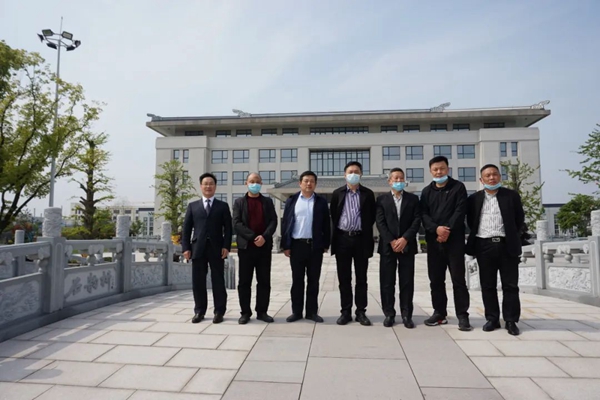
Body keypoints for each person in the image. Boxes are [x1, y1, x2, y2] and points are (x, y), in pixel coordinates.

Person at [466, 164, 524, 336]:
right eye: (488, 175)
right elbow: (471, 221)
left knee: (510, 285)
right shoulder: (474, 199)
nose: (492, 178)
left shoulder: (511, 196)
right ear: (481, 179)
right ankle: (492, 318)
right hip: (484, 245)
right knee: (487, 285)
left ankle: (511, 320)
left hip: (507, 245)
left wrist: (512, 236)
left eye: (495, 174)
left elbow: (519, 219)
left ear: (500, 176)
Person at [420, 156, 472, 331]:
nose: (438, 172)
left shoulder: (458, 187)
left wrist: (446, 230)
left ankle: (462, 315)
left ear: (447, 169)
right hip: (434, 242)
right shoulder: (426, 192)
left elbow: (460, 211)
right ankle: (439, 313)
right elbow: (423, 215)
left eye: (442, 168)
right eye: (435, 169)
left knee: (458, 279)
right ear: (430, 171)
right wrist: (436, 229)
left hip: (454, 242)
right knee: (436, 280)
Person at [182, 173, 232, 324]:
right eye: (205, 183)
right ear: (201, 186)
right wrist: (186, 248)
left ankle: (219, 311)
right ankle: (199, 311)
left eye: (211, 183)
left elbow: (228, 229)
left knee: (218, 281)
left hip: (217, 249)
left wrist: (226, 246)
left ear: (215, 186)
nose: (208, 186)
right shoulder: (193, 206)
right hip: (198, 248)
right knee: (198, 282)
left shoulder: (222, 206)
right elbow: (186, 229)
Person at [330, 161, 376, 326]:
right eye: (350, 172)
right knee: (344, 278)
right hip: (342, 239)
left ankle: (361, 311)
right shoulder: (337, 193)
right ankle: (345, 311)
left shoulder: (368, 194)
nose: (353, 174)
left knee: (361, 278)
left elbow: (371, 216)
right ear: (345, 175)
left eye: (356, 171)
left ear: (361, 174)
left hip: (361, 239)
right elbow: (334, 215)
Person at [281, 171, 330, 323]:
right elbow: (286, 223)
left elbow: (327, 224)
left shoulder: (321, 202)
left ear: (315, 184)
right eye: (306, 181)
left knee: (313, 280)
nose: (309, 184)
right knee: (297, 280)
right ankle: (296, 311)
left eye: (312, 181)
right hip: (297, 246)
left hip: (315, 246)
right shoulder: (292, 200)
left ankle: (311, 312)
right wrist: (286, 245)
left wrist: (325, 244)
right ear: (300, 183)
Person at [375, 168, 421, 328]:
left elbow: (416, 220)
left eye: (401, 178)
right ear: (389, 181)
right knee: (387, 282)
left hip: (407, 246)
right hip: (388, 247)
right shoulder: (381, 200)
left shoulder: (413, 199)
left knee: (406, 282)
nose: (399, 181)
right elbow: (380, 222)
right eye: (395, 178)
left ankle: (407, 314)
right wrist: (392, 241)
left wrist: (404, 239)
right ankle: (389, 313)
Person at [233, 172, 278, 324]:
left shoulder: (267, 202)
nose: (254, 184)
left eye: (257, 181)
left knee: (264, 281)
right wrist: (253, 237)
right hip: (246, 247)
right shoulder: (239, 202)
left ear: (261, 183)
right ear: (246, 183)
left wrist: (264, 237)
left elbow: (273, 221)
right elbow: (237, 223)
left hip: (264, 247)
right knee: (244, 282)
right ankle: (245, 312)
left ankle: (262, 311)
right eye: (251, 181)